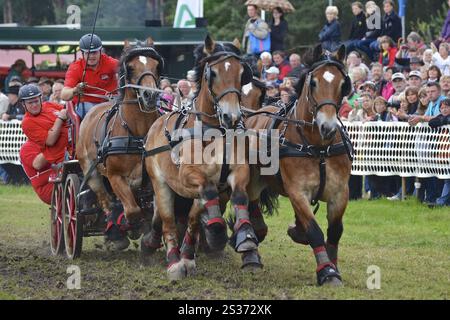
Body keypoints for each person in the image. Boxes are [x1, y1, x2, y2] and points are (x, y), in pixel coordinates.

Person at [18, 84, 69, 203]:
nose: (34, 105)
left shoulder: (48, 105)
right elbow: (38, 163)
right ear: (23, 104)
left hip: (65, 159)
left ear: (41, 99)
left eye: (36, 101)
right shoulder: (27, 146)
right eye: (30, 103)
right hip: (48, 185)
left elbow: (66, 109)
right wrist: (60, 120)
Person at [61, 34, 118, 119]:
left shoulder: (111, 63)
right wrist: (75, 90)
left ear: (100, 51)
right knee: (95, 112)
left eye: (94, 52)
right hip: (87, 104)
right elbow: (64, 95)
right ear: (82, 53)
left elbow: (128, 70)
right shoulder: (75, 68)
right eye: (88, 53)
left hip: (110, 102)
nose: (91, 56)